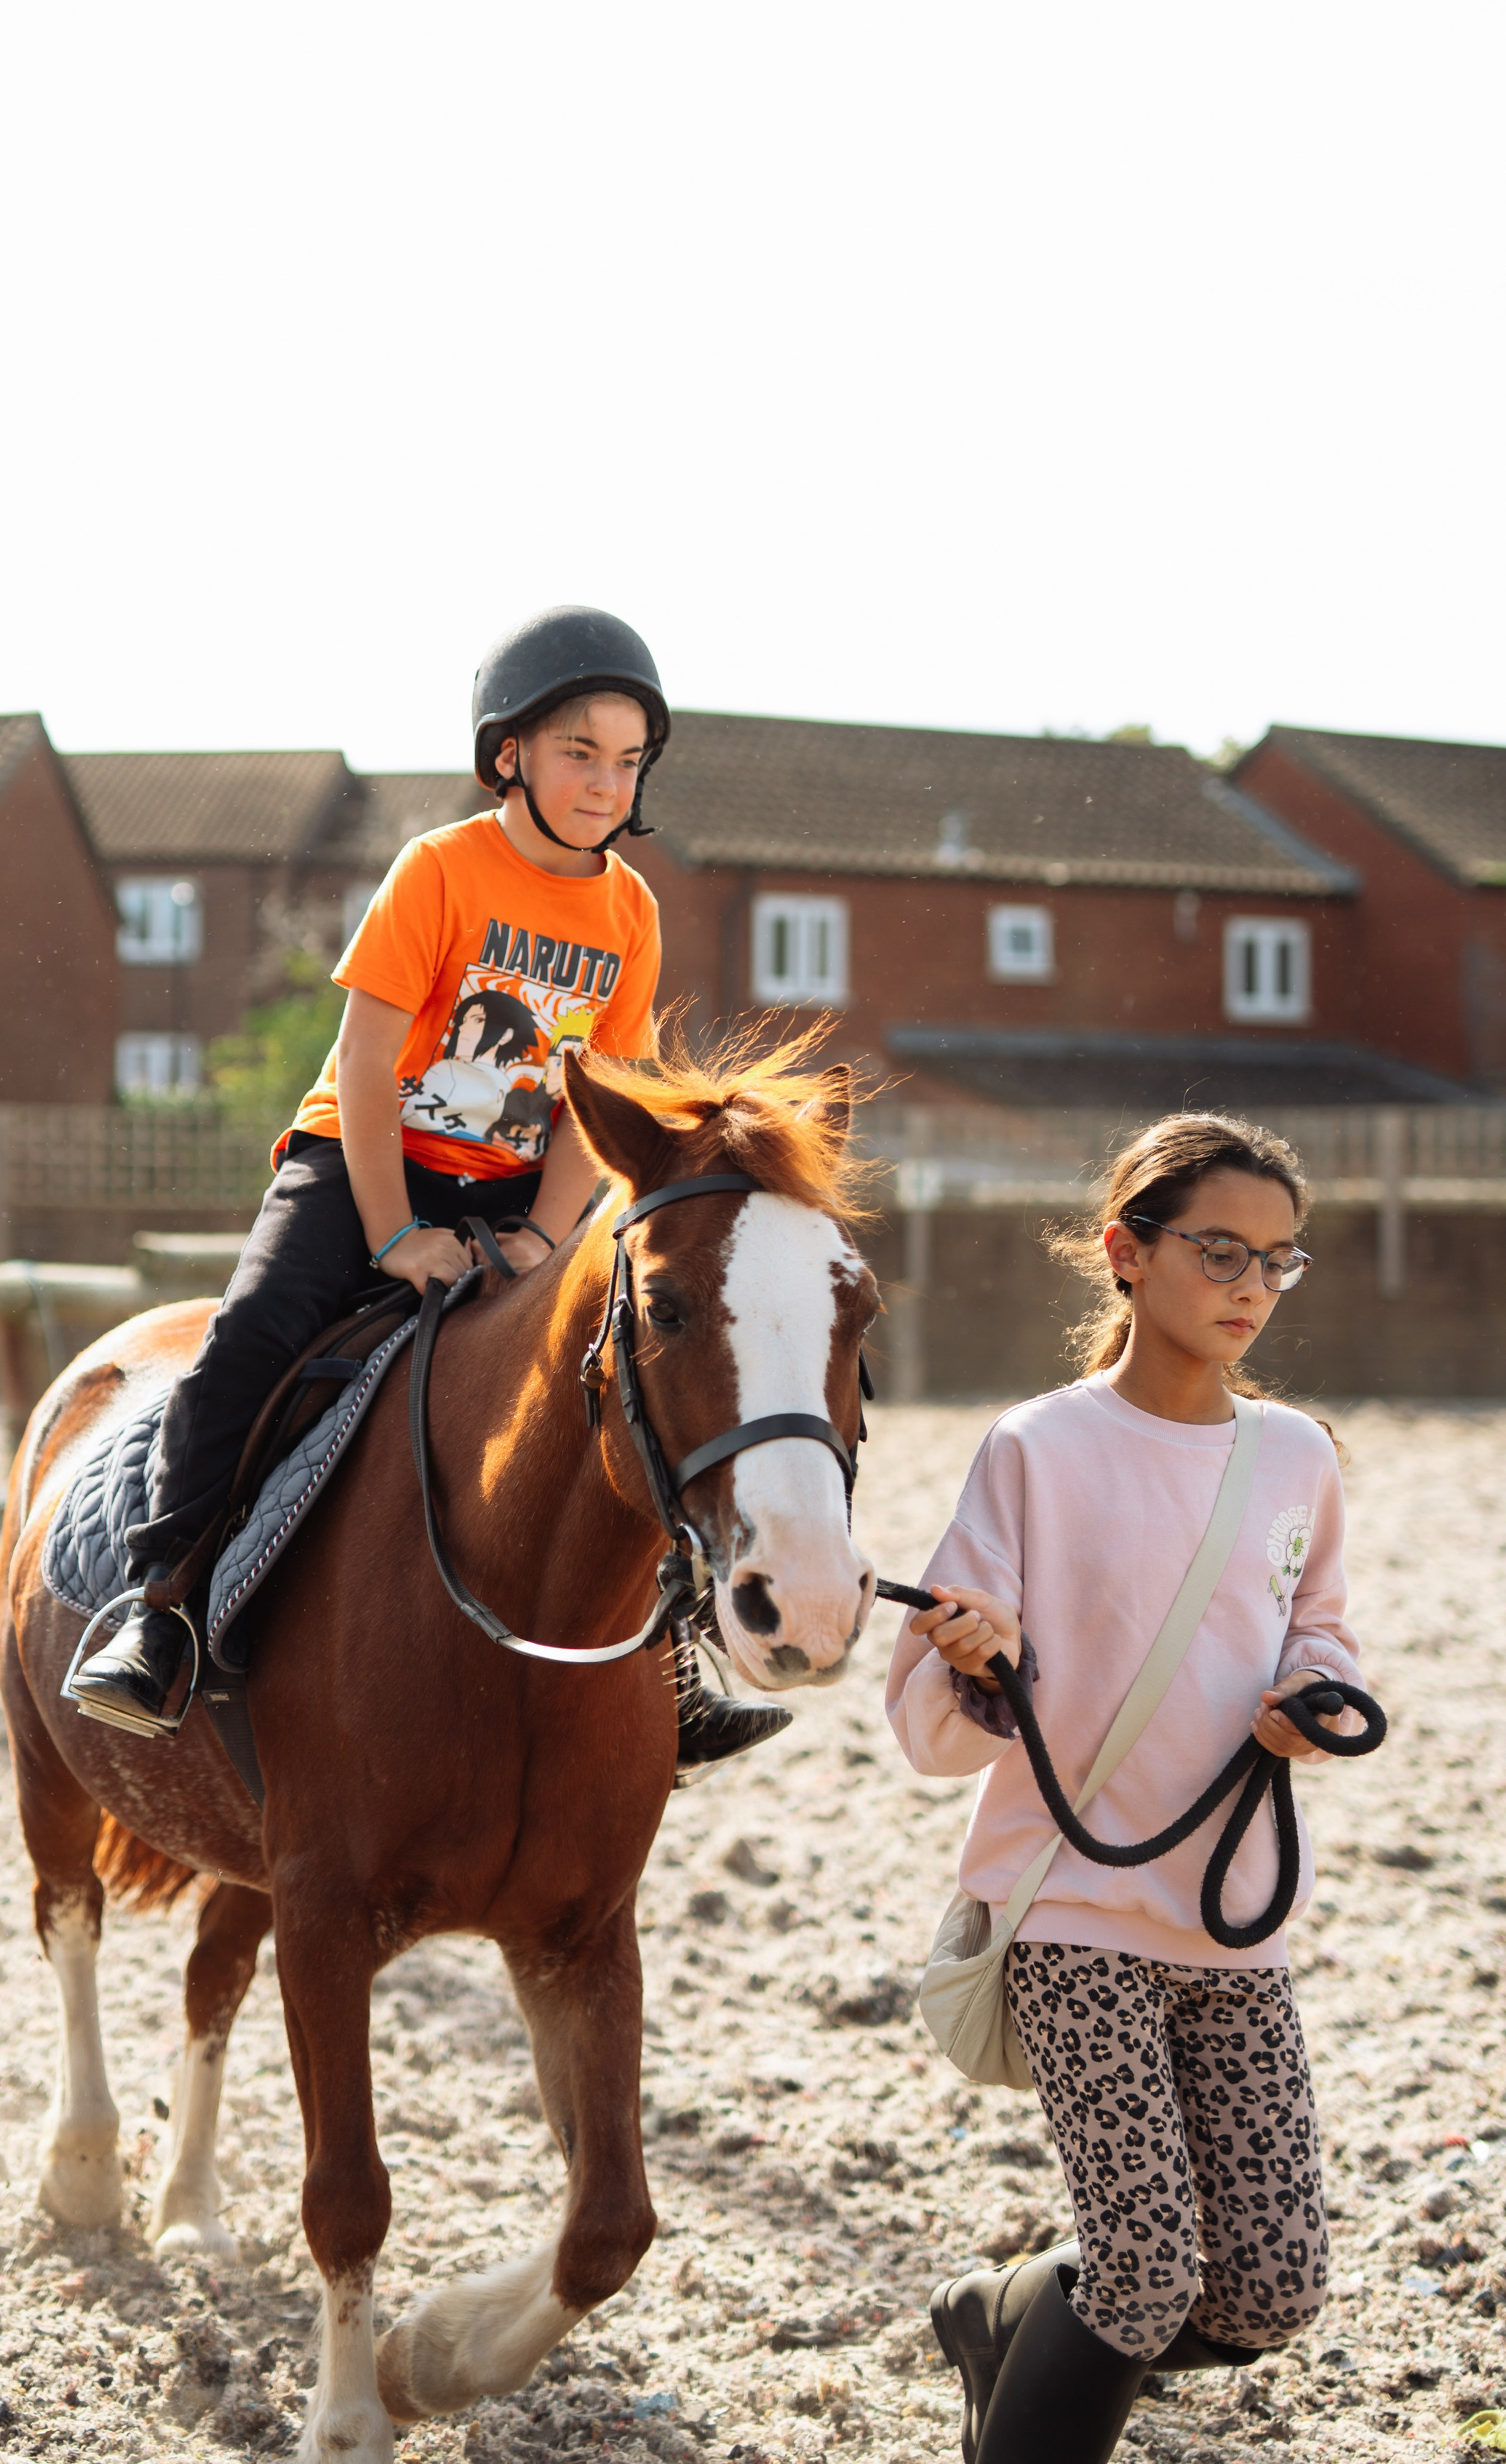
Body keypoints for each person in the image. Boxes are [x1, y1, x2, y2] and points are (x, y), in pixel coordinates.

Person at [72, 605, 790, 1779]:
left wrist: (540, 1238)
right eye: (580, 754)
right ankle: (165, 1611)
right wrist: (393, 1230)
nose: (608, 783)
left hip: (516, 1190)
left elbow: (592, 1099)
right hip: (361, 1163)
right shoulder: (442, 869)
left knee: (622, 1381)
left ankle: (668, 1665)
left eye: (628, 760)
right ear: (509, 751)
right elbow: (364, 1062)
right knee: (246, 1342)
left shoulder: (633, 914)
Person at [886, 1113, 1365, 2464]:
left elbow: (1319, 1628)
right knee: (1146, 2273)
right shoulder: (1037, 1448)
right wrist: (984, 1657)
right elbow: (934, 1721)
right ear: (1126, 1252)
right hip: (1072, 1902)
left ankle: (1009, 2317)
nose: (1252, 1286)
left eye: (1280, 1261)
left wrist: (1314, 1701)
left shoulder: (1297, 1460)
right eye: (1221, 1251)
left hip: (1233, 1906)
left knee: (1272, 2291)